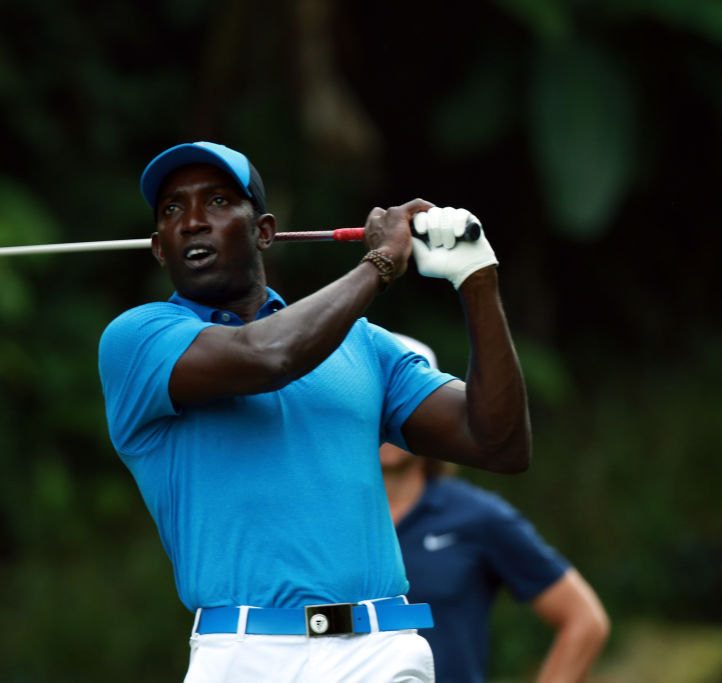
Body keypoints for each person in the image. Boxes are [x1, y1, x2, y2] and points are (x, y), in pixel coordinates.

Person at [97, 141, 531, 682]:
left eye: (218, 201)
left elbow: (499, 443)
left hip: (378, 650)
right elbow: (267, 356)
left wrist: (477, 280)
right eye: (171, 209)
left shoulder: (361, 344)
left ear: (263, 231)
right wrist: (379, 263)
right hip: (242, 654)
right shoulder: (138, 340)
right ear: (159, 248)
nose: (193, 222)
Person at [381, 334, 609, 683]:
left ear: (430, 417)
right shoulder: (322, 521)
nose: (387, 420)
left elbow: (584, 620)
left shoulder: (477, 516)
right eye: (376, 406)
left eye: (401, 405)